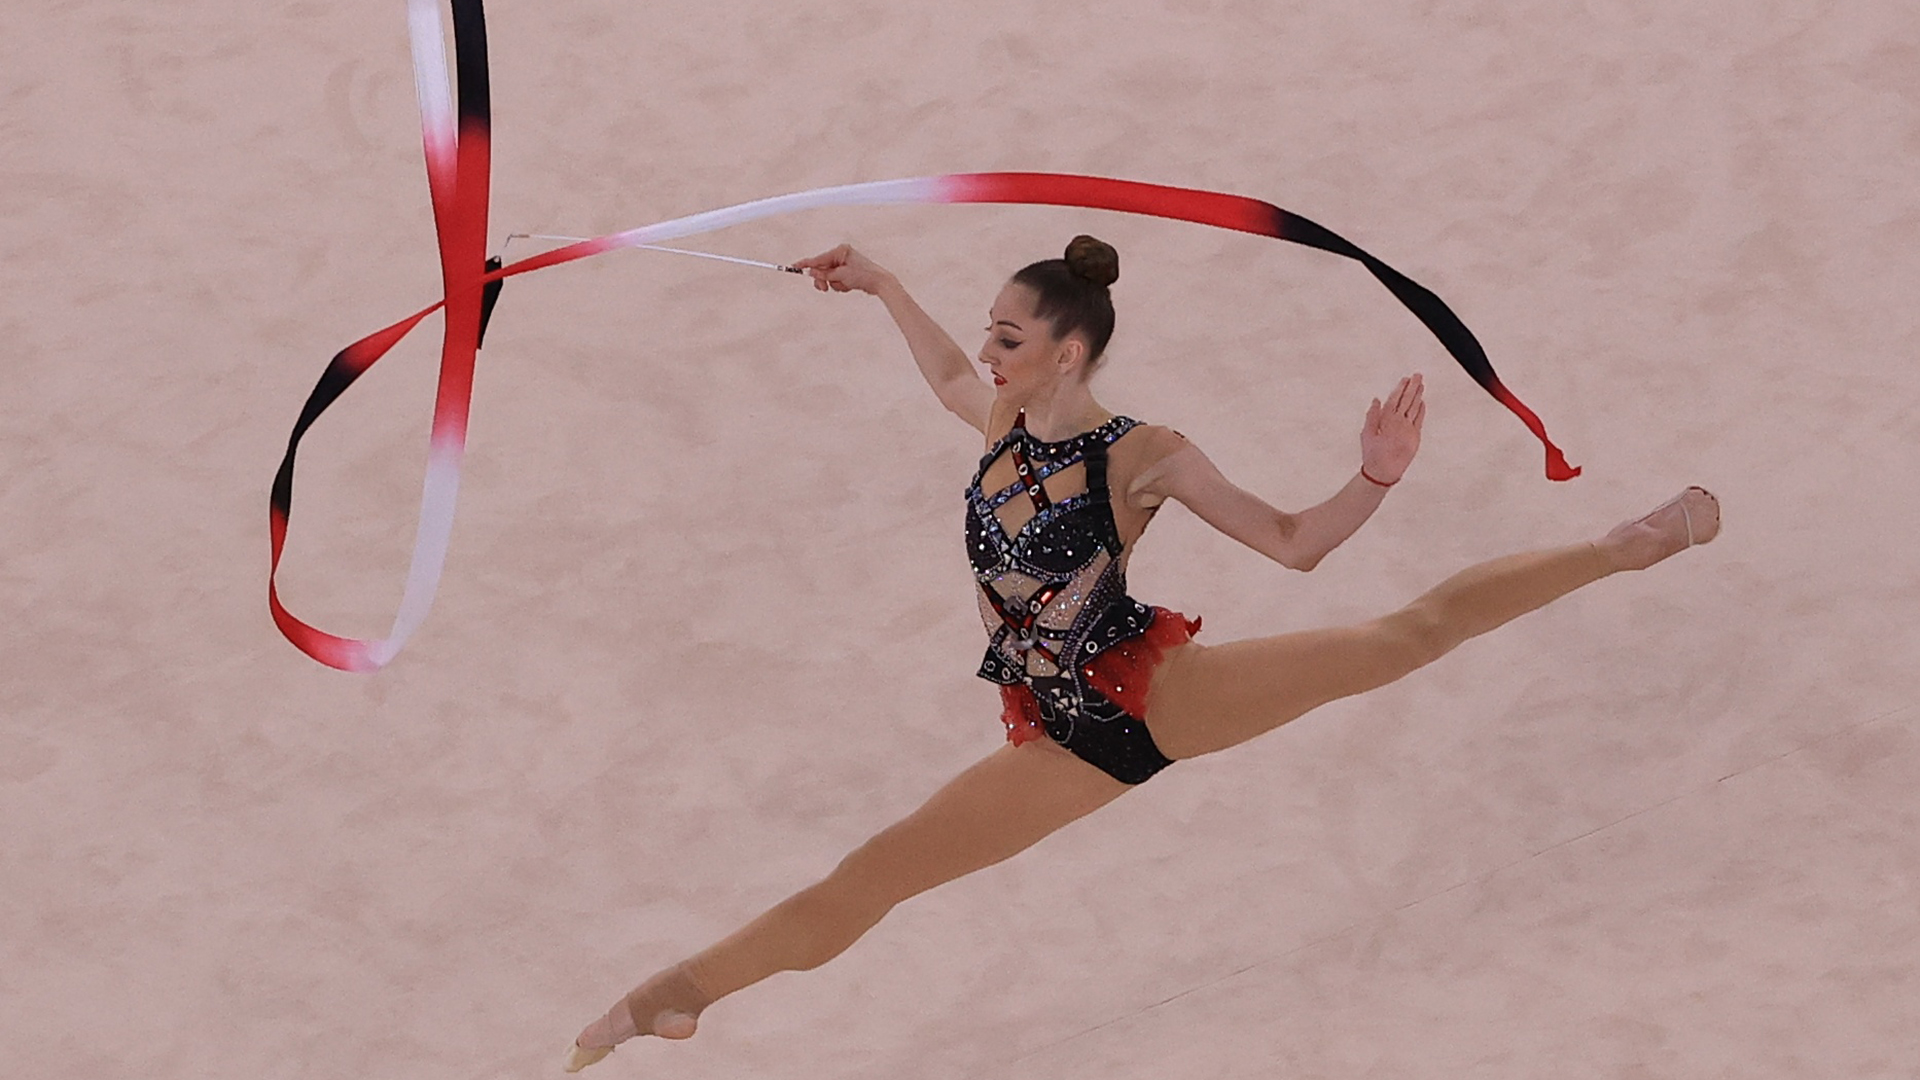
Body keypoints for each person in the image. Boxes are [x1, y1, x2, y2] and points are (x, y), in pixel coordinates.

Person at [563, 235, 1719, 1071]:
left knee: (1399, 640)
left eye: (1010, 337)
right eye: (990, 331)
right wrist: (880, 283)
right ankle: (680, 992)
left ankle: (1621, 548)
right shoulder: (1000, 421)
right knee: (878, 871)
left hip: (1156, 693)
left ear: (1068, 352)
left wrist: (1372, 477)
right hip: (1061, 738)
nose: (989, 352)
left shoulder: (1141, 453)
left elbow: (1293, 544)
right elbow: (949, 376)